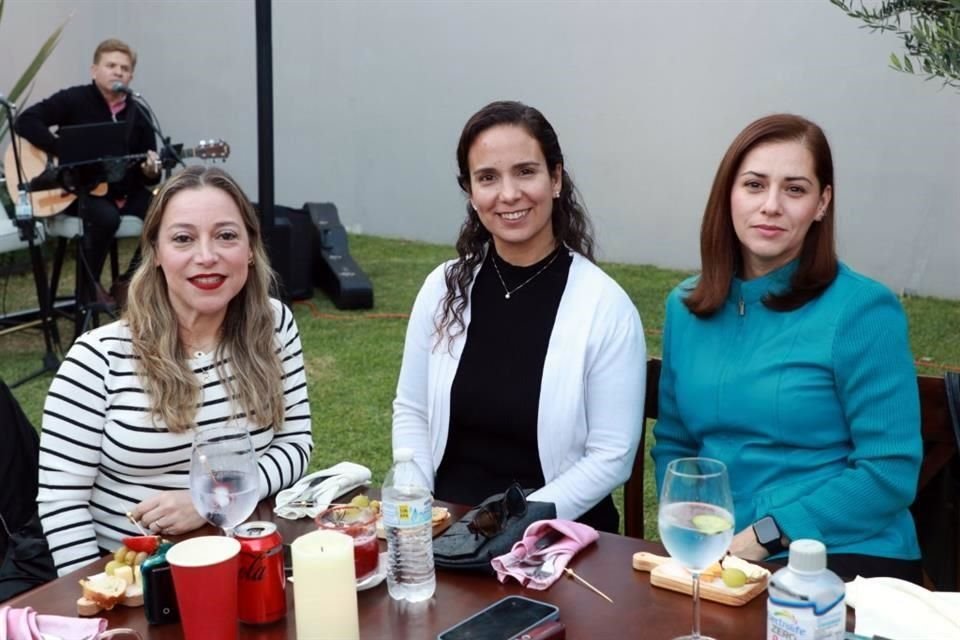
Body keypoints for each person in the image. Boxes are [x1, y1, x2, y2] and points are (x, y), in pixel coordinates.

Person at [651, 114, 922, 581]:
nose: (771, 205)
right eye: (754, 185)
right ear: (728, 195)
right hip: (718, 554)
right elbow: (675, 444)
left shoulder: (862, 310)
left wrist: (767, 534)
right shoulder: (686, 307)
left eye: (794, 190)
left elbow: (888, 472)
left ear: (822, 203)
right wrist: (693, 528)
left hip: (841, 556)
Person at [37, 166, 313, 575]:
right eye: (183, 238)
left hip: (248, 564)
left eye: (226, 236)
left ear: (251, 248)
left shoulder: (273, 325)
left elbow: (295, 446)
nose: (206, 256)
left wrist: (208, 501)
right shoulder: (98, 358)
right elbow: (62, 500)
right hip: (139, 580)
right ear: (157, 253)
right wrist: (99, 598)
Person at [392, 101, 646, 533]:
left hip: (557, 536)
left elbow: (612, 456)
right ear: (471, 194)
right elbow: (412, 410)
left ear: (556, 178)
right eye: (488, 178)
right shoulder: (443, 288)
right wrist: (417, 506)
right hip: (447, 529)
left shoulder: (605, 306)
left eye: (525, 172)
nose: (508, 194)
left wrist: (509, 523)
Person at [15, 38, 160, 302]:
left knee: (165, 215)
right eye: (111, 65)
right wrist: (61, 149)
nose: (118, 71)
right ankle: (88, 288)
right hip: (75, 189)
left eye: (124, 68)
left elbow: (147, 171)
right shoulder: (74, 99)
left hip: (122, 191)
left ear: (131, 76)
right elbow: (26, 121)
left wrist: (151, 172)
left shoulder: (138, 113)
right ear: (95, 71)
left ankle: (128, 283)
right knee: (105, 218)